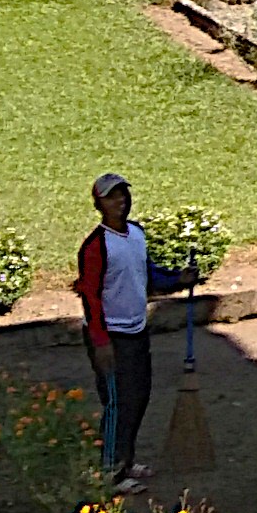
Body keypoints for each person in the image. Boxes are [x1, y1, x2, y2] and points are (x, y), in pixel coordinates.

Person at [73, 175, 162, 490]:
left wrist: (180, 277)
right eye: (112, 197)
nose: (120, 201)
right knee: (116, 402)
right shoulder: (96, 246)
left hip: (137, 329)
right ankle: (111, 471)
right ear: (99, 204)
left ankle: (126, 459)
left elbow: (148, 273)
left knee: (139, 397)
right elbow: (91, 296)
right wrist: (100, 341)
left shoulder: (136, 234)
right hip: (111, 335)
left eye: (123, 195)